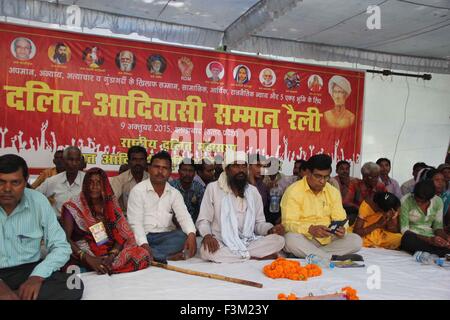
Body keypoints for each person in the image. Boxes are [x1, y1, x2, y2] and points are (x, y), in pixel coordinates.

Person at [0, 154, 83, 300]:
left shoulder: (38, 201)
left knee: (73, 285)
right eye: (1, 182)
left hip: (28, 269)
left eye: (15, 182)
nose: (7, 189)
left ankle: (17, 296)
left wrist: (37, 276)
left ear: (26, 181)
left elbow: (61, 246)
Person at [196, 151, 285, 263]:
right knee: (206, 251)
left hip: (248, 241)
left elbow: (259, 224)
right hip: (220, 240)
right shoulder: (213, 188)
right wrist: (207, 235)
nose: (241, 170)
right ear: (227, 169)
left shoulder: (253, 192)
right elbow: (203, 220)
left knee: (279, 240)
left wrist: (270, 229)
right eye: (236, 166)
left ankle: (239, 256)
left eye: (244, 166)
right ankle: (252, 256)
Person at [61, 168, 150, 274]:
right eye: (91, 182)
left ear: (105, 185)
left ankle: (106, 265)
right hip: (83, 252)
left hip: (109, 251)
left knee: (142, 254)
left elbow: (121, 236)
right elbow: (64, 238)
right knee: (72, 267)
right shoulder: (73, 206)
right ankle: (97, 265)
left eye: (99, 182)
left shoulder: (109, 204)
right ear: (85, 184)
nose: (94, 186)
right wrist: (87, 257)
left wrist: (111, 256)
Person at [281, 154, 362, 261]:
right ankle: (330, 257)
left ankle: (312, 255)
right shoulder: (293, 191)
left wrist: (342, 229)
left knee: (356, 240)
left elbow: (341, 219)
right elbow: (288, 224)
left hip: (328, 239)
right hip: (305, 238)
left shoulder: (332, 191)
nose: (322, 181)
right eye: (318, 176)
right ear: (308, 173)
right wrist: (310, 229)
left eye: (326, 177)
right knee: (289, 239)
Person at [127, 151, 197, 262]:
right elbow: (135, 224)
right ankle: (162, 256)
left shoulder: (174, 193)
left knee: (183, 237)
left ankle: (150, 254)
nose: (160, 171)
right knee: (132, 241)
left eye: (165, 168)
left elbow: (184, 216)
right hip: (144, 236)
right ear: (149, 169)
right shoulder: (138, 191)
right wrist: (144, 244)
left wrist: (192, 234)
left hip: (165, 237)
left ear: (170, 172)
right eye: (156, 167)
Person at [400, 180, 450, 256]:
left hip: (431, 238)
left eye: (422, 201)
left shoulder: (438, 201)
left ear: (431, 198)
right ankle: (441, 252)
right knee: (407, 240)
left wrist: (446, 238)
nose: (419, 203)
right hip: (414, 237)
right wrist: (428, 240)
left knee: (444, 242)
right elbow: (404, 230)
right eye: (417, 200)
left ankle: (434, 251)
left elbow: (438, 228)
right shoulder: (406, 200)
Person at [36, 146, 85, 218]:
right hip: (57, 224)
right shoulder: (53, 181)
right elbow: (34, 197)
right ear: (64, 161)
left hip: (81, 225)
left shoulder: (87, 180)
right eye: (70, 160)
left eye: (77, 160)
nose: (74, 163)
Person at [110, 146, 149, 213]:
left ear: (146, 162)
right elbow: (112, 202)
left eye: (141, 159)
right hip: (126, 219)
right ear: (128, 162)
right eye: (134, 159)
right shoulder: (119, 180)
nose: (138, 162)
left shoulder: (152, 179)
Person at [170, 158, 205, 224]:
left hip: (194, 227)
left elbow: (203, 211)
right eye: (184, 170)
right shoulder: (171, 187)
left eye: (190, 171)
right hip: (174, 226)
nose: (187, 174)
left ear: (194, 173)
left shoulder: (199, 188)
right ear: (179, 171)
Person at [248, 154, 272, 224]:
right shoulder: (241, 183)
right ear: (249, 166)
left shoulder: (263, 185)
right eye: (258, 166)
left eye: (264, 167)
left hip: (260, 223)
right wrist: (252, 182)